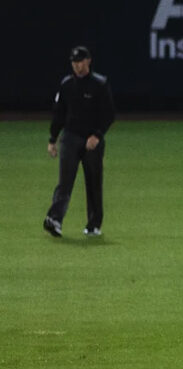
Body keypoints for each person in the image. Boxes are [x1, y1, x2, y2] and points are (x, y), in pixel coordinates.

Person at [44, 46, 115, 238]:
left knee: (93, 182)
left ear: (88, 61)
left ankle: (94, 224)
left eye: (80, 61)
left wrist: (97, 136)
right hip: (71, 137)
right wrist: (52, 139)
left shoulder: (100, 84)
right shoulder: (66, 85)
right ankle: (55, 219)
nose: (77, 65)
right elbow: (58, 114)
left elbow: (108, 114)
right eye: (74, 62)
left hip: (92, 139)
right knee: (65, 181)